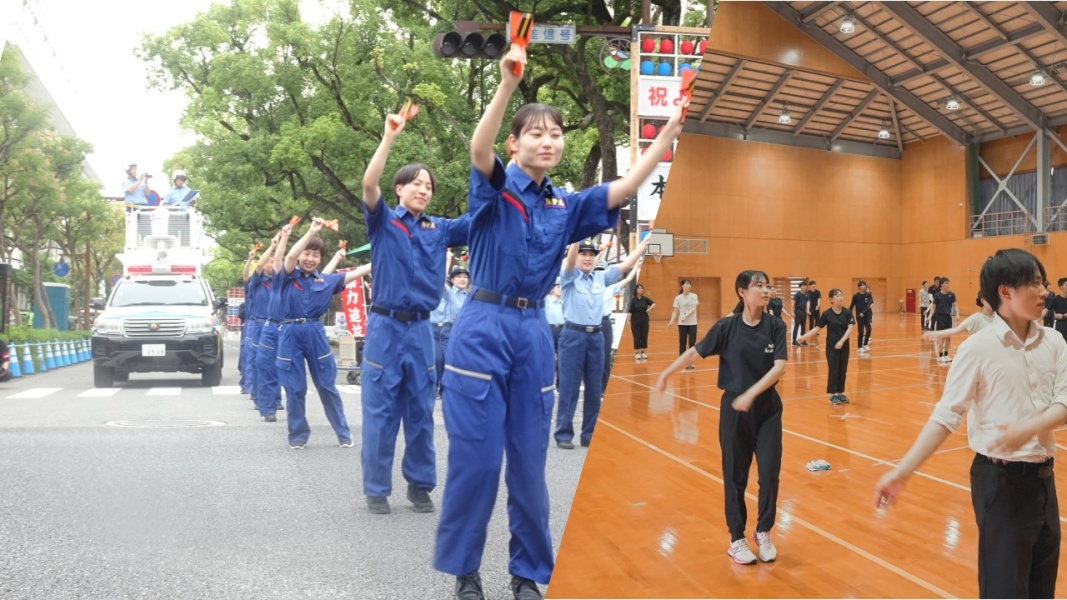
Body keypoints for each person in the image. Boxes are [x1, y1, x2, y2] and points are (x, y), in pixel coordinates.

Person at [434, 43, 687, 600]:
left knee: (529, 463)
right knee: (477, 463)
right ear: (515, 143)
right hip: (481, 325)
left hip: (531, 334)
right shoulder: (494, 189)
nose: (548, 141)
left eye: (555, 134)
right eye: (536, 133)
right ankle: (465, 571)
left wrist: (667, 135)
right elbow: (477, 149)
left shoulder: (564, 205)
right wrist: (506, 84)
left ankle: (527, 574)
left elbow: (623, 189)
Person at [874, 248, 1065, 599]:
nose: (1045, 291)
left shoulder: (1053, 340)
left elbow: (1064, 402)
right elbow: (946, 416)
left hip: (1044, 482)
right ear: (1006, 292)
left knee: (1042, 587)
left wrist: (1028, 427)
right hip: (1000, 482)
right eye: (1036, 283)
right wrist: (901, 471)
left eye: (1045, 283)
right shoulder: (977, 348)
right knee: (1004, 590)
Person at [360, 110, 470, 516]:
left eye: (428, 185)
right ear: (400, 188)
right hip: (385, 326)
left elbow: (481, 221)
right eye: (416, 184)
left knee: (422, 410)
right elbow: (369, 184)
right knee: (379, 410)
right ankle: (376, 488)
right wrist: (389, 136)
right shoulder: (383, 222)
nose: (423, 190)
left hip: (422, 328)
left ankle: (420, 485)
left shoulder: (438, 229)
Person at [655, 270, 787, 566]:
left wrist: (751, 394)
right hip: (734, 412)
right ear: (742, 292)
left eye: (767, 286)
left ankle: (763, 531)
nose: (766, 291)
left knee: (769, 474)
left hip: (767, 409)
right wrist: (666, 373)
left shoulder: (776, 325)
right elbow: (694, 353)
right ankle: (737, 538)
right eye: (759, 286)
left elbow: (780, 367)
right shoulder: (726, 328)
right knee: (735, 476)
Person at [277, 217, 365, 449]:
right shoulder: (287, 276)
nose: (310, 259)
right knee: (295, 389)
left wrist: (387, 254)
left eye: (316, 255)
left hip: (315, 333)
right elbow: (289, 257)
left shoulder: (326, 280)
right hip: (290, 332)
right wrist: (312, 231)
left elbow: (358, 272)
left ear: (320, 259)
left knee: (327, 386)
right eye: (307, 253)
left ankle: (343, 433)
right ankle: (297, 436)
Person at [555, 237, 647, 450]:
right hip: (573, 335)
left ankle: (589, 434)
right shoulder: (568, 277)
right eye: (583, 254)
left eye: (591, 255)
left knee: (594, 388)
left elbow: (624, 266)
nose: (588, 258)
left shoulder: (601, 278)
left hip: (596, 336)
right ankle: (563, 433)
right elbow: (569, 262)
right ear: (576, 256)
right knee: (569, 387)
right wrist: (576, 237)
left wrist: (643, 246)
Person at [797, 288, 853, 405]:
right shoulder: (827, 314)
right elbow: (817, 328)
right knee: (834, 370)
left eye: (841, 295)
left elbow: (850, 328)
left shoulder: (847, 312)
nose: (840, 297)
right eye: (837, 296)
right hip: (831, 347)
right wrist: (804, 337)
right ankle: (833, 395)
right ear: (831, 299)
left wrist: (842, 341)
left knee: (843, 370)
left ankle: (840, 393)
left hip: (844, 346)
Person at [600, 260, 638, 393]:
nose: (599, 274)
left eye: (601, 271)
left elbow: (627, 280)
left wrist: (636, 267)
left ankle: (603, 388)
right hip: (589, 324)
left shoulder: (610, 288)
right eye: (597, 271)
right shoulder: (586, 286)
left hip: (604, 323)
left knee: (605, 358)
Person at [923, 294, 993, 344]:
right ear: (983, 300)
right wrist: (933, 333)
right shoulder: (976, 318)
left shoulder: (999, 318)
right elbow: (955, 330)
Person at [925, 277, 958, 364]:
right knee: (941, 337)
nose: (948, 284)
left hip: (948, 317)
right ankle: (940, 356)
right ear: (942, 284)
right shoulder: (937, 296)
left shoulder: (952, 294)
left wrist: (957, 315)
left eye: (948, 283)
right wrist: (929, 317)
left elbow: (955, 305)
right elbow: (933, 307)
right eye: (946, 283)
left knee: (948, 337)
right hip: (940, 317)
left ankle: (946, 354)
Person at [667, 279, 699, 368]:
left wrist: (686, 316)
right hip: (682, 324)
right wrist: (671, 321)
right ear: (682, 286)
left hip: (692, 323)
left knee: (692, 343)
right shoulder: (678, 298)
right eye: (687, 284)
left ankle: (691, 361)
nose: (689, 286)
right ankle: (682, 362)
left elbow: (694, 308)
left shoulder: (694, 296)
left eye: (690, 284)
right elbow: (675, 311)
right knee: (682, 343)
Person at [629, 283, 655, 360]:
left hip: (644, 320)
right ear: (636, 290)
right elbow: (630, 312)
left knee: (644, 336)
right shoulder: (633, 300)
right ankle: (637, 353)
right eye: (639, 288)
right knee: (637, 337)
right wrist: (628, 322)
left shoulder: (645, 299)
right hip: (635, 321)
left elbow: (654, 303)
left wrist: (650, 309)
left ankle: (643, 352)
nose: (641, 289)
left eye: (642, 288)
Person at [850, 281, 874, 353]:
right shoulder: (856, 296)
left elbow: (869, 305)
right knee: (861, 331)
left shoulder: (868, 295)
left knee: (869, 329)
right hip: (859, 315)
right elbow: (851, 306)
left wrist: (863, 312)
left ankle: (866, 344)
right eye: (862, 285)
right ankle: (859, 346)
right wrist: (849, 315)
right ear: (859, 287)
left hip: (867, 314)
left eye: (865, 285)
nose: (864, 286)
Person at [791, 280, 809, 346]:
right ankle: (794, 340)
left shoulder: (807, 294)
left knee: (803, 327)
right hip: (798, 311)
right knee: (796, 326)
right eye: (803, 286)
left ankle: (803, 340)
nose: (804, 287)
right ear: (800, 287)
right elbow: (793, 303)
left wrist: (807, 310)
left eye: (805, 286)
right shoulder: (797, 294)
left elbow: (808, 303)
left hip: (804, 312)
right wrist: (792, 312)